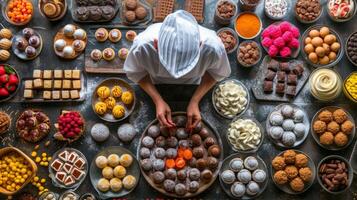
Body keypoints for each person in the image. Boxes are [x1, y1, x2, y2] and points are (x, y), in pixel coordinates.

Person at [124, 10, 231, 129]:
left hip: (194, 85)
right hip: (156, 84)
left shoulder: (213, 47)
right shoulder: (142, 46)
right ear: (156, 44)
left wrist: (195, 100)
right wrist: (157, 100)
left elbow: (216, 74)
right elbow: (136, 73)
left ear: (200, 45)